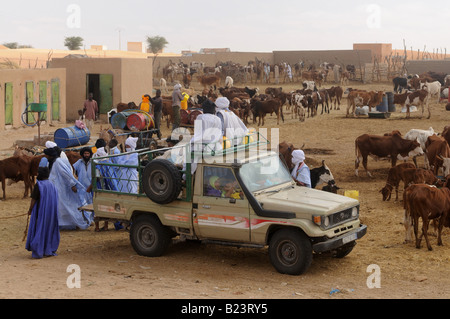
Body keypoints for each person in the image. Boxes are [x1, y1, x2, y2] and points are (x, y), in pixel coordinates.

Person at [48, 146, 93, 230]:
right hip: (58, 187)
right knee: (62, 207)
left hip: (61, 188)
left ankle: (78, 222)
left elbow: (66, 174)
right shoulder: (59, 161)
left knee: (67, 206)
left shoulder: (58, 162)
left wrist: (72, 184)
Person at [25, 166, 60, 259]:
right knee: (49, 229)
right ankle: (48, 250)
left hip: (41, 212)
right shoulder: (52, 185)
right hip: (51, 212)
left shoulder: (39, 185)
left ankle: (38, 249)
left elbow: (33, 199)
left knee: (40, 228)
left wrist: (30, 210)